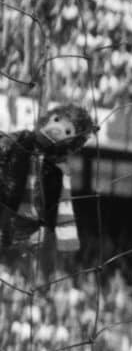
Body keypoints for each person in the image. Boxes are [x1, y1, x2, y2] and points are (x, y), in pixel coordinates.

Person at [0, 101, 99, 265]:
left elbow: (53, 206)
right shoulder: (24, 139)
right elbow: (4, 145)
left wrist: (45, 229)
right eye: (56, 120)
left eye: (67, 131)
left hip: (20, 221)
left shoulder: (56, 171)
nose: (57, 129)